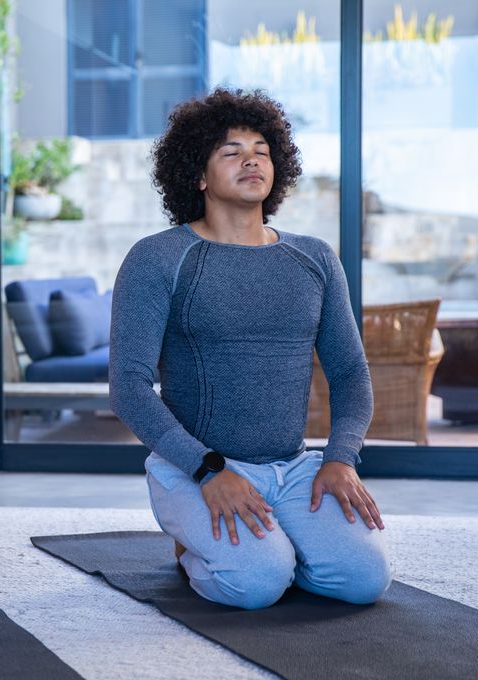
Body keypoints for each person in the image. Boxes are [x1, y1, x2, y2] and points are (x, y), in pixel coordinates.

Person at [109, 88, 392, 609]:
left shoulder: (315, 258)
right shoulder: (158, 258)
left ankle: (279, 544)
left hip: (294, 467)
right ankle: (196, 547)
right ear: (198, 174)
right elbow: (129, 387)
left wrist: (341, 458)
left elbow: (351, 372)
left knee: (365, 580)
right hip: (196, 470)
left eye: (262, 150)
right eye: (231, 151)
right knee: (257, 585)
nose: (252, 160)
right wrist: (208, 469)